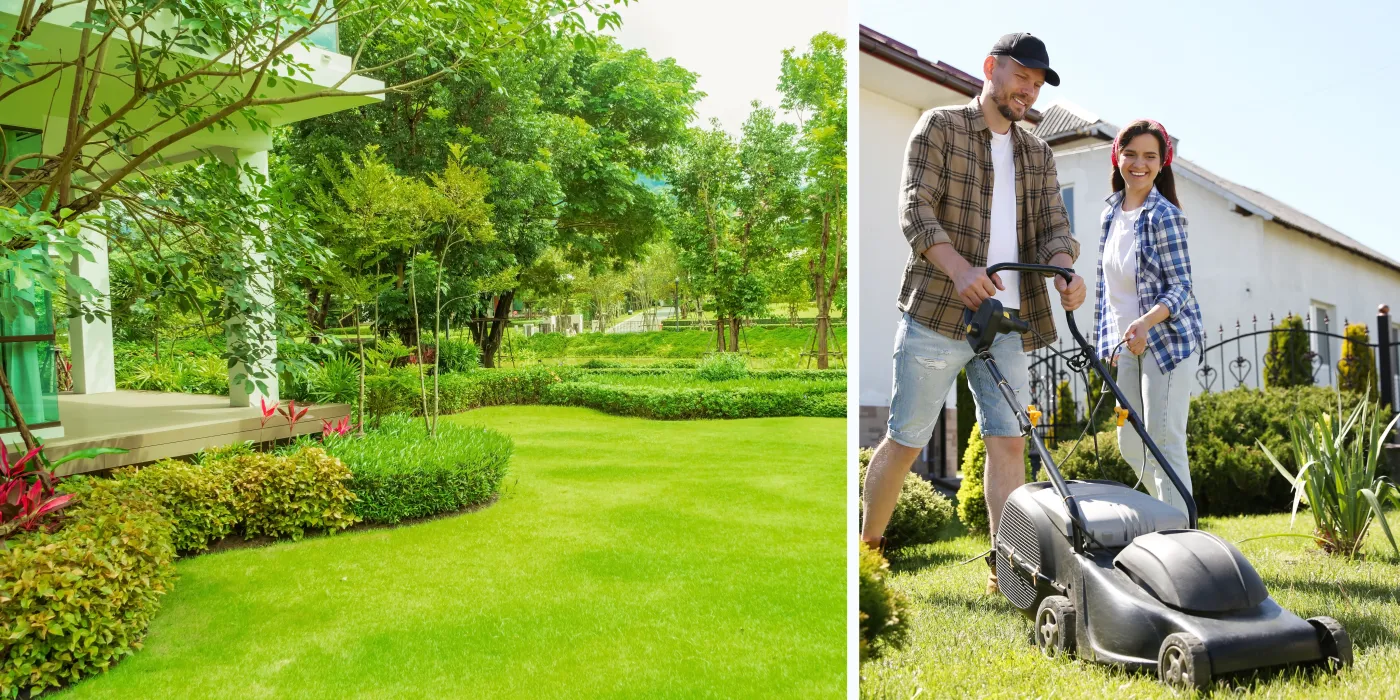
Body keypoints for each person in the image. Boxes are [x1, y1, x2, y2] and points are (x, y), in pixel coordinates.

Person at [860, 32, 1085, 595]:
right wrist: (959, 270)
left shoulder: (1038, 152)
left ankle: (1009, 571)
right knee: (907, 438)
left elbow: (1056, 228)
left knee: (1008, 441)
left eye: (1036, 84)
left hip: (1008, 320)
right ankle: (865, 558)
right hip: (938, 312)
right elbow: (915, 207)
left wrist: (1063, 268)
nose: (1028, 91)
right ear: (991, 68)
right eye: (1021, 77)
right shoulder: (940, 126)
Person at [1094, 119, 1203, 517]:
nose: (1139, 163)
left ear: (1162, 163)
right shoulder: (1110, 214)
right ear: (1117, 158)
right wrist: (1110, 342)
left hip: (1166, 343)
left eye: (1150, 156)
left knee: (1163, 439)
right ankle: (1164, 517)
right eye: (1131, 154)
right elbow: (1109, 291)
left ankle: (1181, 536)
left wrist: (1146, 322)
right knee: (1130, 443)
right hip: (1127, 346)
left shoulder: (1164, 215)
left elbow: (1181, 287)